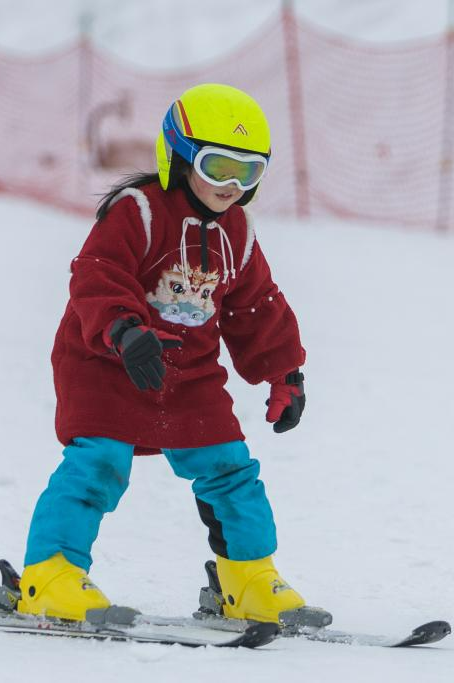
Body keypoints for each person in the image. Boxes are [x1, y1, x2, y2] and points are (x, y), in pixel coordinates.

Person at [17, 84, 309, 625]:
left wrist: (284, 372)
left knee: (231, 471)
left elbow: (255, 304)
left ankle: (246, 579)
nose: (231, 186)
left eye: (248, 173)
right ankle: (49, 575)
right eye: (219, 167)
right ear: (177, 155)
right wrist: (126, 331)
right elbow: (96, 276)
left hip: (189, 373)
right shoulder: (139, 211)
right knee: (98, 463)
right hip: (107, 362)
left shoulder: (237, 232)